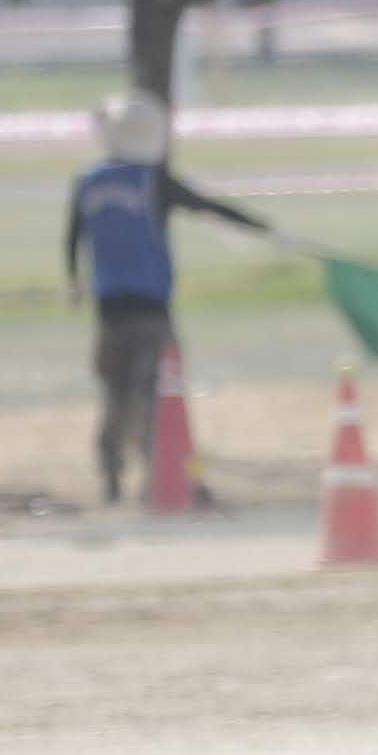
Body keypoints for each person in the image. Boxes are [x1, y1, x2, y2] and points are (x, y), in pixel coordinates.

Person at [63, 94, 269, 506]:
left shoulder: (89, 182)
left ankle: (111, 477)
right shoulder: (151, 180)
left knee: (115, 396)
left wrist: (74, 283)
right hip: (151, 310)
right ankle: (164, 478)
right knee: (158, 395)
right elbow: (204, 204)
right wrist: (256, 225)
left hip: (109, 310)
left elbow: (71, 238)